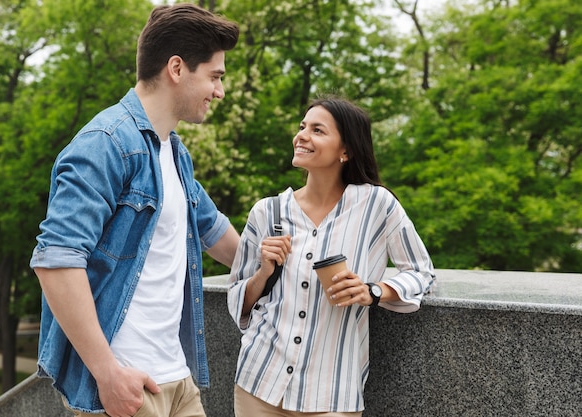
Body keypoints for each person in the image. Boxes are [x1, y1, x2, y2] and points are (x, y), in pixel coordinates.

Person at [30, 4, 240, 416]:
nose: (220, 91)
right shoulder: (104, 143)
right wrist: (108, 374)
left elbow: (220, 237)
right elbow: (56, 263)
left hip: (179, 379)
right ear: (176, 68)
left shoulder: (173, 153)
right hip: (127, 385)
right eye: (215, 76)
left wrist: (300, 256)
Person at [227, 96, 435, 416]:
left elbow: (422, 272)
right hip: (258, 382)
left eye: (318, 130)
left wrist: (372, 291)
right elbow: (238, 299)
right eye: (301, 127)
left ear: (346, 150)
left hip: (333, 392)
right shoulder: (267, 212)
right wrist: (263, 273)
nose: (302, 135)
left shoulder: (376, 205)